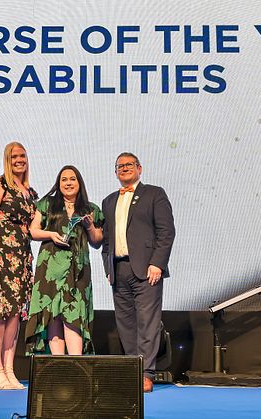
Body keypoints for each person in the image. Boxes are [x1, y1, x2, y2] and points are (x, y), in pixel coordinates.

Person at [101, 152, 175, 393]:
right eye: (119, 166)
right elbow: (107, 241)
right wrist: (108, 267)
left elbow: (166, 232)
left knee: (148, 323)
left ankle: (146, 373)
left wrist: (158, 263)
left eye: (129, 165)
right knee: (125, 323)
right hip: (119, 270)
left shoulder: (155, 194)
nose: (124, 169)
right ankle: (132, 370)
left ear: (139, 168)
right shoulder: (109, 200)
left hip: (146, 269)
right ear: (115, 172)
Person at [0, 142, 38, 390]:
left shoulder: (30, 193)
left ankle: (9, 370)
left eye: (22, 156)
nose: (19, 160)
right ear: (7, 159)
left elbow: (33, 229)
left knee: (15, 314)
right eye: (14, 156)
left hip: (21, 258)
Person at [25, 165, 103, 356]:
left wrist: (90, 226)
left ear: (79, 182)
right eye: (64, 179)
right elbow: (33, 231)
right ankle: (58, 364)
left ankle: (76, 364)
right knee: (53, 315)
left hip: (78, 270)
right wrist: (51, 234)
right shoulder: (47, 204)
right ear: (58, 184)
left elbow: (97, 241)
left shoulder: (91, 209)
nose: (68, 183)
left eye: (72, 179)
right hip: (50, 268)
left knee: (74, 313)